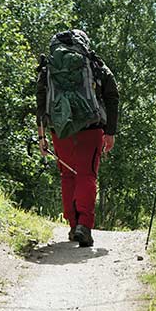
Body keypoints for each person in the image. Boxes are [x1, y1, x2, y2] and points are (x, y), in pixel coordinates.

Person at [36, 29, 119, 248]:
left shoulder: (49, 67)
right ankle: (84, 225)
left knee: (67, 175)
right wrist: (110, 131)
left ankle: (73, 226)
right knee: (87, 174)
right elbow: (112, 94)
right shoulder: (94, 64)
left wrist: (41, 136)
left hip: (59, 129)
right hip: (90, 127)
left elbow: (41, 99)